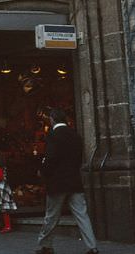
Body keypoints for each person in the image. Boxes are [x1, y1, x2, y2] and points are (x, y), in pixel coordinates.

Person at [35, 108, 98, 254]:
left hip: (57, 182)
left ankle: (46, 245)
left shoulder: (53, 135)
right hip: (74, 180)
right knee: (82, 215)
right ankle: (92, 246)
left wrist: (43, 171)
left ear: (52, 119)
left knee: (51, 216)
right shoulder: (76, 135)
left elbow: (50, 158)